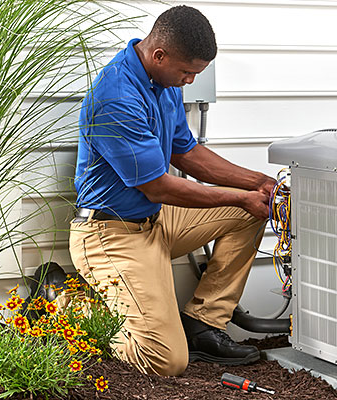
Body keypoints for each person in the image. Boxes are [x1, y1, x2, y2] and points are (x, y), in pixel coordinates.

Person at [69, 5, 276, 376]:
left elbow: (187, 152)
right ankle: (69, 309)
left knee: (248, 211)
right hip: (110, 233)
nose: (190, 81)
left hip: (154, 222)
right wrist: (238, 194)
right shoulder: (116, 96)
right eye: (186, 72)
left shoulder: (163, 84)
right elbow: (157, 187)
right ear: (159, 55)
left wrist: (257, 183)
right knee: (165, 361)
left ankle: (205, 325)